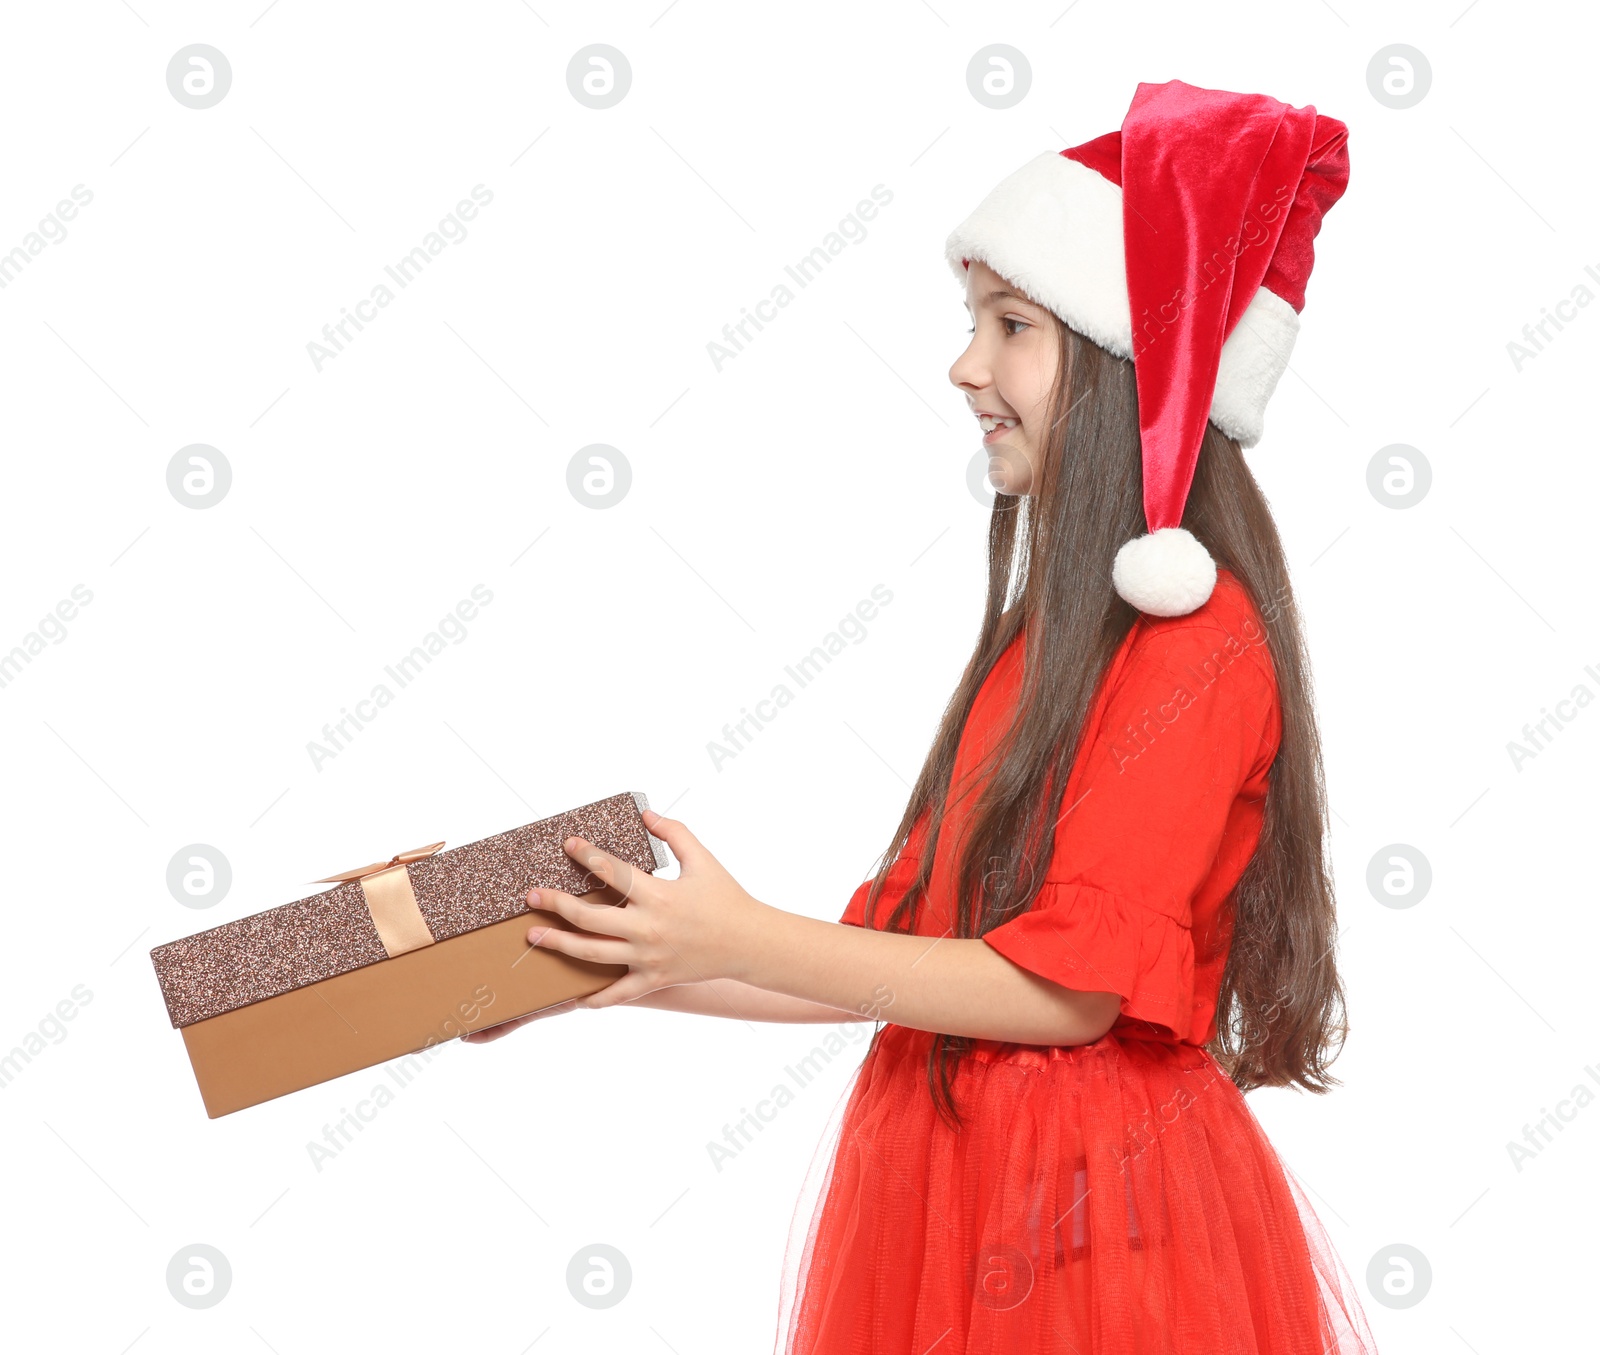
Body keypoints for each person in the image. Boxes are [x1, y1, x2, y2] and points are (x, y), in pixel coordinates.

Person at [468, 78, 1380, 1354]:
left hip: (1087, 1219)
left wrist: (739, 931)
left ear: (1135, 368)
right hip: (953, 1184)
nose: (965, 366)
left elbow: (1062, 998)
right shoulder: (1046, 645)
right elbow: (900, 962)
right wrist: (616, 967)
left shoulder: (1195, 641)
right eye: (974, 322)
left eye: (1010, 324)